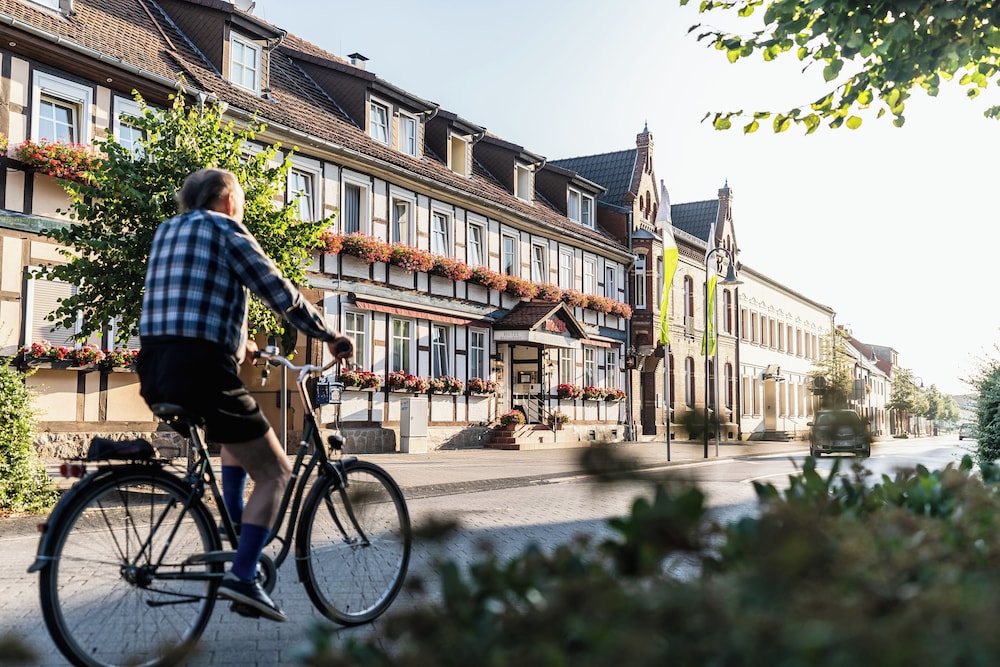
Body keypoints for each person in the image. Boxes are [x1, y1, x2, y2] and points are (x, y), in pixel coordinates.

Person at [137, 168, 353, 622]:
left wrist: (244, 345)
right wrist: (329, 335)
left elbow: (190, 303)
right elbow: (281, 293)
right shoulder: (225, 227)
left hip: (157, 367)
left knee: (238, 449)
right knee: (276, 472)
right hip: (202, 369)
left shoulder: (167, 230)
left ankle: (239, 543)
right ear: (228, 200)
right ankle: (241, 575)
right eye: (242, 201)